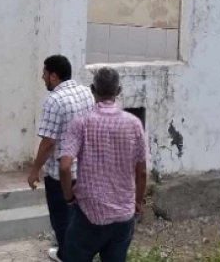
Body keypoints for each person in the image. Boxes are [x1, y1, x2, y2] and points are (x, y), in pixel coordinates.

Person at [59, 67, 148, 262]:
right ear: (119, 91)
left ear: (92, 89)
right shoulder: (134, 124)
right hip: (123, 215)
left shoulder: (81, 123)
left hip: (88, 214)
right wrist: (138, 202)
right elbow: (141, 172)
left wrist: (68, 196)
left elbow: (65, 166)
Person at [28, 55, 95, 262]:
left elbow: (48, 142)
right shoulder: (86, 93)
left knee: (62, 220)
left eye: (45, 73)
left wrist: (34, 171)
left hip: (60, 174)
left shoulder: (54, 101)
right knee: (81, 219)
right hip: (84, 170)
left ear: (54, 76)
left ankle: (68, 256)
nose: (42, 77)